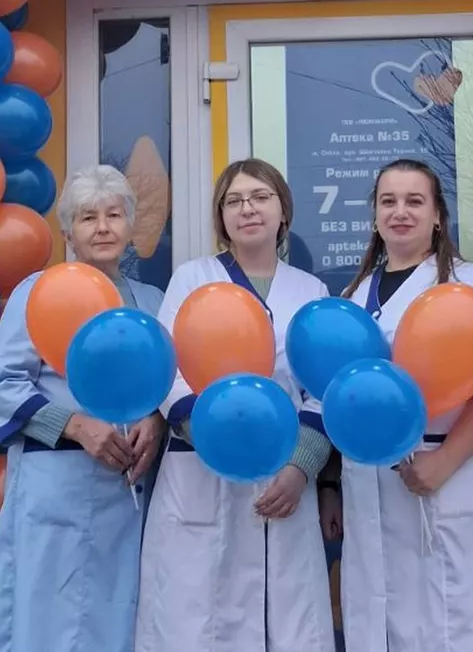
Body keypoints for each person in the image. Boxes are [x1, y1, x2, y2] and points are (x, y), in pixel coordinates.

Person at [320, 158, 473, 652]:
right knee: (381, 625)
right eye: (388, 202)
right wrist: (330, 482)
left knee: (461, 625)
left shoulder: (472, 286)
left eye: (415, 201)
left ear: (437, 216)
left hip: (454, 474)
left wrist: (445, 460)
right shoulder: (353, 296)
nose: (400, 212)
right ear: (374, 216)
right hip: (370, 481)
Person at [136, 159, 335, 652]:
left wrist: (301, 466)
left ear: (283, 211)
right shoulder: (193, 279)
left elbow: (323, 387)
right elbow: (165, 369)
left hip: (283, 474)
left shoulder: (311, 291)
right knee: (193, 619)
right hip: (200, 469)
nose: (248, 209)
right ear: (221, 217)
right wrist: (209, 435)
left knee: (289, 621)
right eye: (234, 201)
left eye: (261, 197)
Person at [0, 165, 166, 652]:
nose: (102, 228)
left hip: (127, 494)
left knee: (116, 619)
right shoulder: (39, 293)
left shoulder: (153, 303)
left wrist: (156, 420)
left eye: (113, 215)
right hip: (55, 487)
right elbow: (1, 387)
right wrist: (76, 425)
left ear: (130, 226)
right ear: (68, 233)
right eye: (87, 218)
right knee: (47, 621)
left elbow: (170, 383)